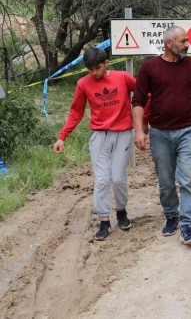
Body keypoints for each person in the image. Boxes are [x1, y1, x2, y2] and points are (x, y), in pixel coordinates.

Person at [132, 26, 191, 246]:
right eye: (183, 41)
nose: (188, 44)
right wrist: (139, 130)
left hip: (189, 130)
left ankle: (187, 224)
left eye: (187, 40)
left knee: (189, 178)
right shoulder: (150, 67)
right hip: (160, 133)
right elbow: (137, 100)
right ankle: (172, 215)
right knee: (166, 181)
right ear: (169, 43)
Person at [54, 47, 136, 241]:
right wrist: (62, 136)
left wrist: (143, 122)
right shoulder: (83, 84)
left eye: (97, 68)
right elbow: (76, 112)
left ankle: (121, 211)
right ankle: (104, 220)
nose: (94, 73)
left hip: (123, 133)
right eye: (90, 69)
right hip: (99, 135)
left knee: (117, 177)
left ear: (106, 63)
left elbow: (143, 96)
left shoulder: (123, 77)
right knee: (101, 179)